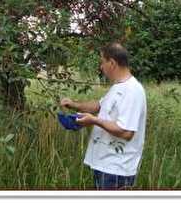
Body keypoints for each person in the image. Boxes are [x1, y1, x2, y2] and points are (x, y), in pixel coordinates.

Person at [60, 42, 147, 190]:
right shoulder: (118, 86)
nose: (101, 67)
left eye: (103, 62)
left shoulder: (132, 91)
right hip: (105, 165)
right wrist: (73, 104)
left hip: (117, 170)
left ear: (112, 63)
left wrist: (94, 120)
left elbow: (126, 132)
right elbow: (99, 106)